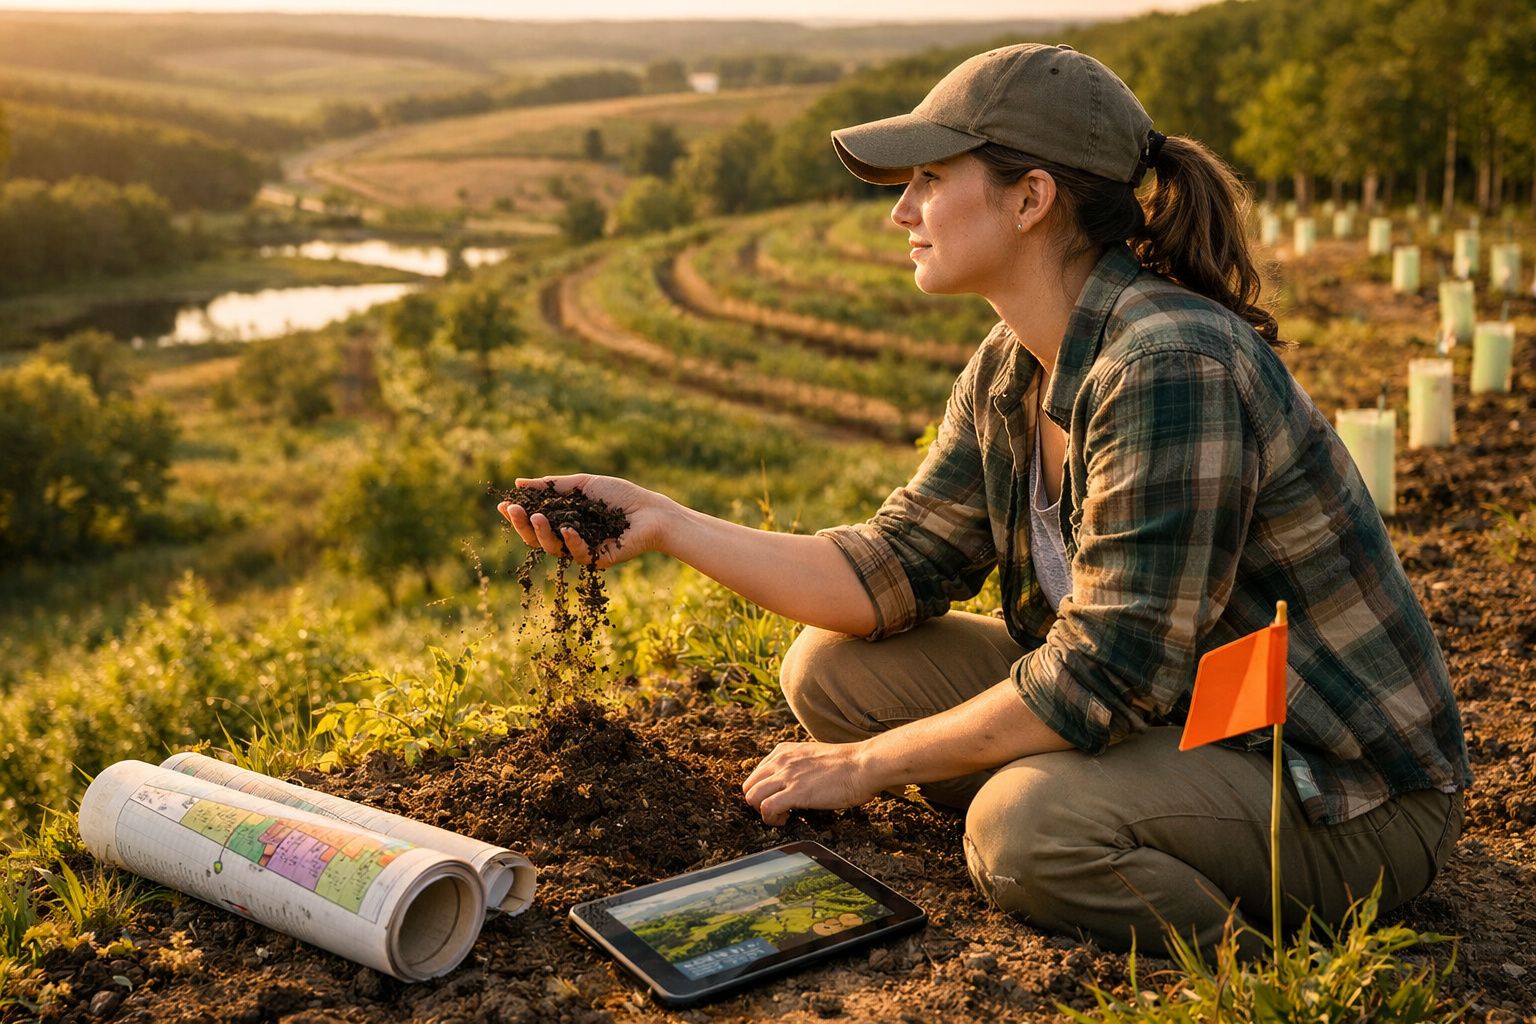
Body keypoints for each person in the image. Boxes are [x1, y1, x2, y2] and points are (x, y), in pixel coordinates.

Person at [500, 43, 1470, 954]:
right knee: (832, 675)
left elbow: (1107, 674)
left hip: (1328, 786)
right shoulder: (1014, 364)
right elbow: (888, 568)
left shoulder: (1169, 364)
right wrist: (664, 521)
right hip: (1177, 713)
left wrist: (868, 767)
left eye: (929, 179)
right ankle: (1102, 796)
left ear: (1030, 198)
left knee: (1025, 829)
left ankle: (1253, 966)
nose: (901, 210)